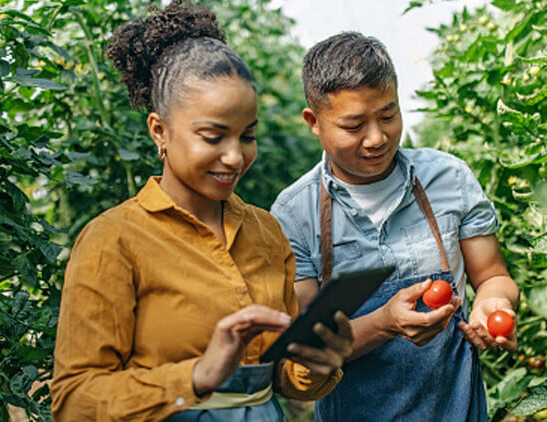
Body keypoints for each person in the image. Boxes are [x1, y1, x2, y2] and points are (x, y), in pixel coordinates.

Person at [49, 3, 354, 421]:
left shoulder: (267, 233)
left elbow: (282, 377)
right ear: (160, 130)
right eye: (213, 136)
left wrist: (317, 361)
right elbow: (74, 401)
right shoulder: (114, 240)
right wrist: (196, 376)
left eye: (248, 136)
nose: (234, 156)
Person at [270, 32, 520, 421]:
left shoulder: (448, 178)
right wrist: (384, 324)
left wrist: (493, 304)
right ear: (313, 122)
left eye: (388, 115)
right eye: (354, 126)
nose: (377, 137)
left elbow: (492, 276)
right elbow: (306, 349)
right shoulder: (293, 214)